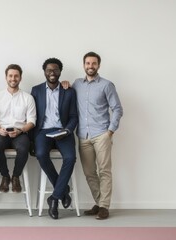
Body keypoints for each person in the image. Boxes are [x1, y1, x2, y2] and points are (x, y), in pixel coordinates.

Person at [72, 52, 123, 220]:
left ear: (98, 66)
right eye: (87, 63)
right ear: (83, 65)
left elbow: (117, 108)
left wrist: (110, 131)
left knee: (104, 171)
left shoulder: (107, 85)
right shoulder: (76, 84)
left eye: (94, 63)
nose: (90, 66)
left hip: (101, 133)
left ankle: (104, 206)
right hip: (83, 135)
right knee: (89, 172)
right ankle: (99, 201)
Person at [31, 58, 78, 219]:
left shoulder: (69, 91)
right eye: (49, 70)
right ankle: (63, 190)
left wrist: (67, 130)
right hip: (43, 132)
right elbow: (33, 115)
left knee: (70, 158)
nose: (52, 73)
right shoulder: (36, 90)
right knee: (41, 154)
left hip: (63, 131)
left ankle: (54, 198)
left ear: (60, 71)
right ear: (44, 71)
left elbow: (73, 116)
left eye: (55, 70)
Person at [0, 64, 36, 193]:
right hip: (2, 132)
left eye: (16, 76)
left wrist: (21, 130)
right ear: (6, 77)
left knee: (23, 147)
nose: (13, 78)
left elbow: (32, 121)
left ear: (20, 78)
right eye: (10, 75)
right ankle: (5, 176)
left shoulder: (28, 98)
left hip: (20, 132)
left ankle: (16, 177)